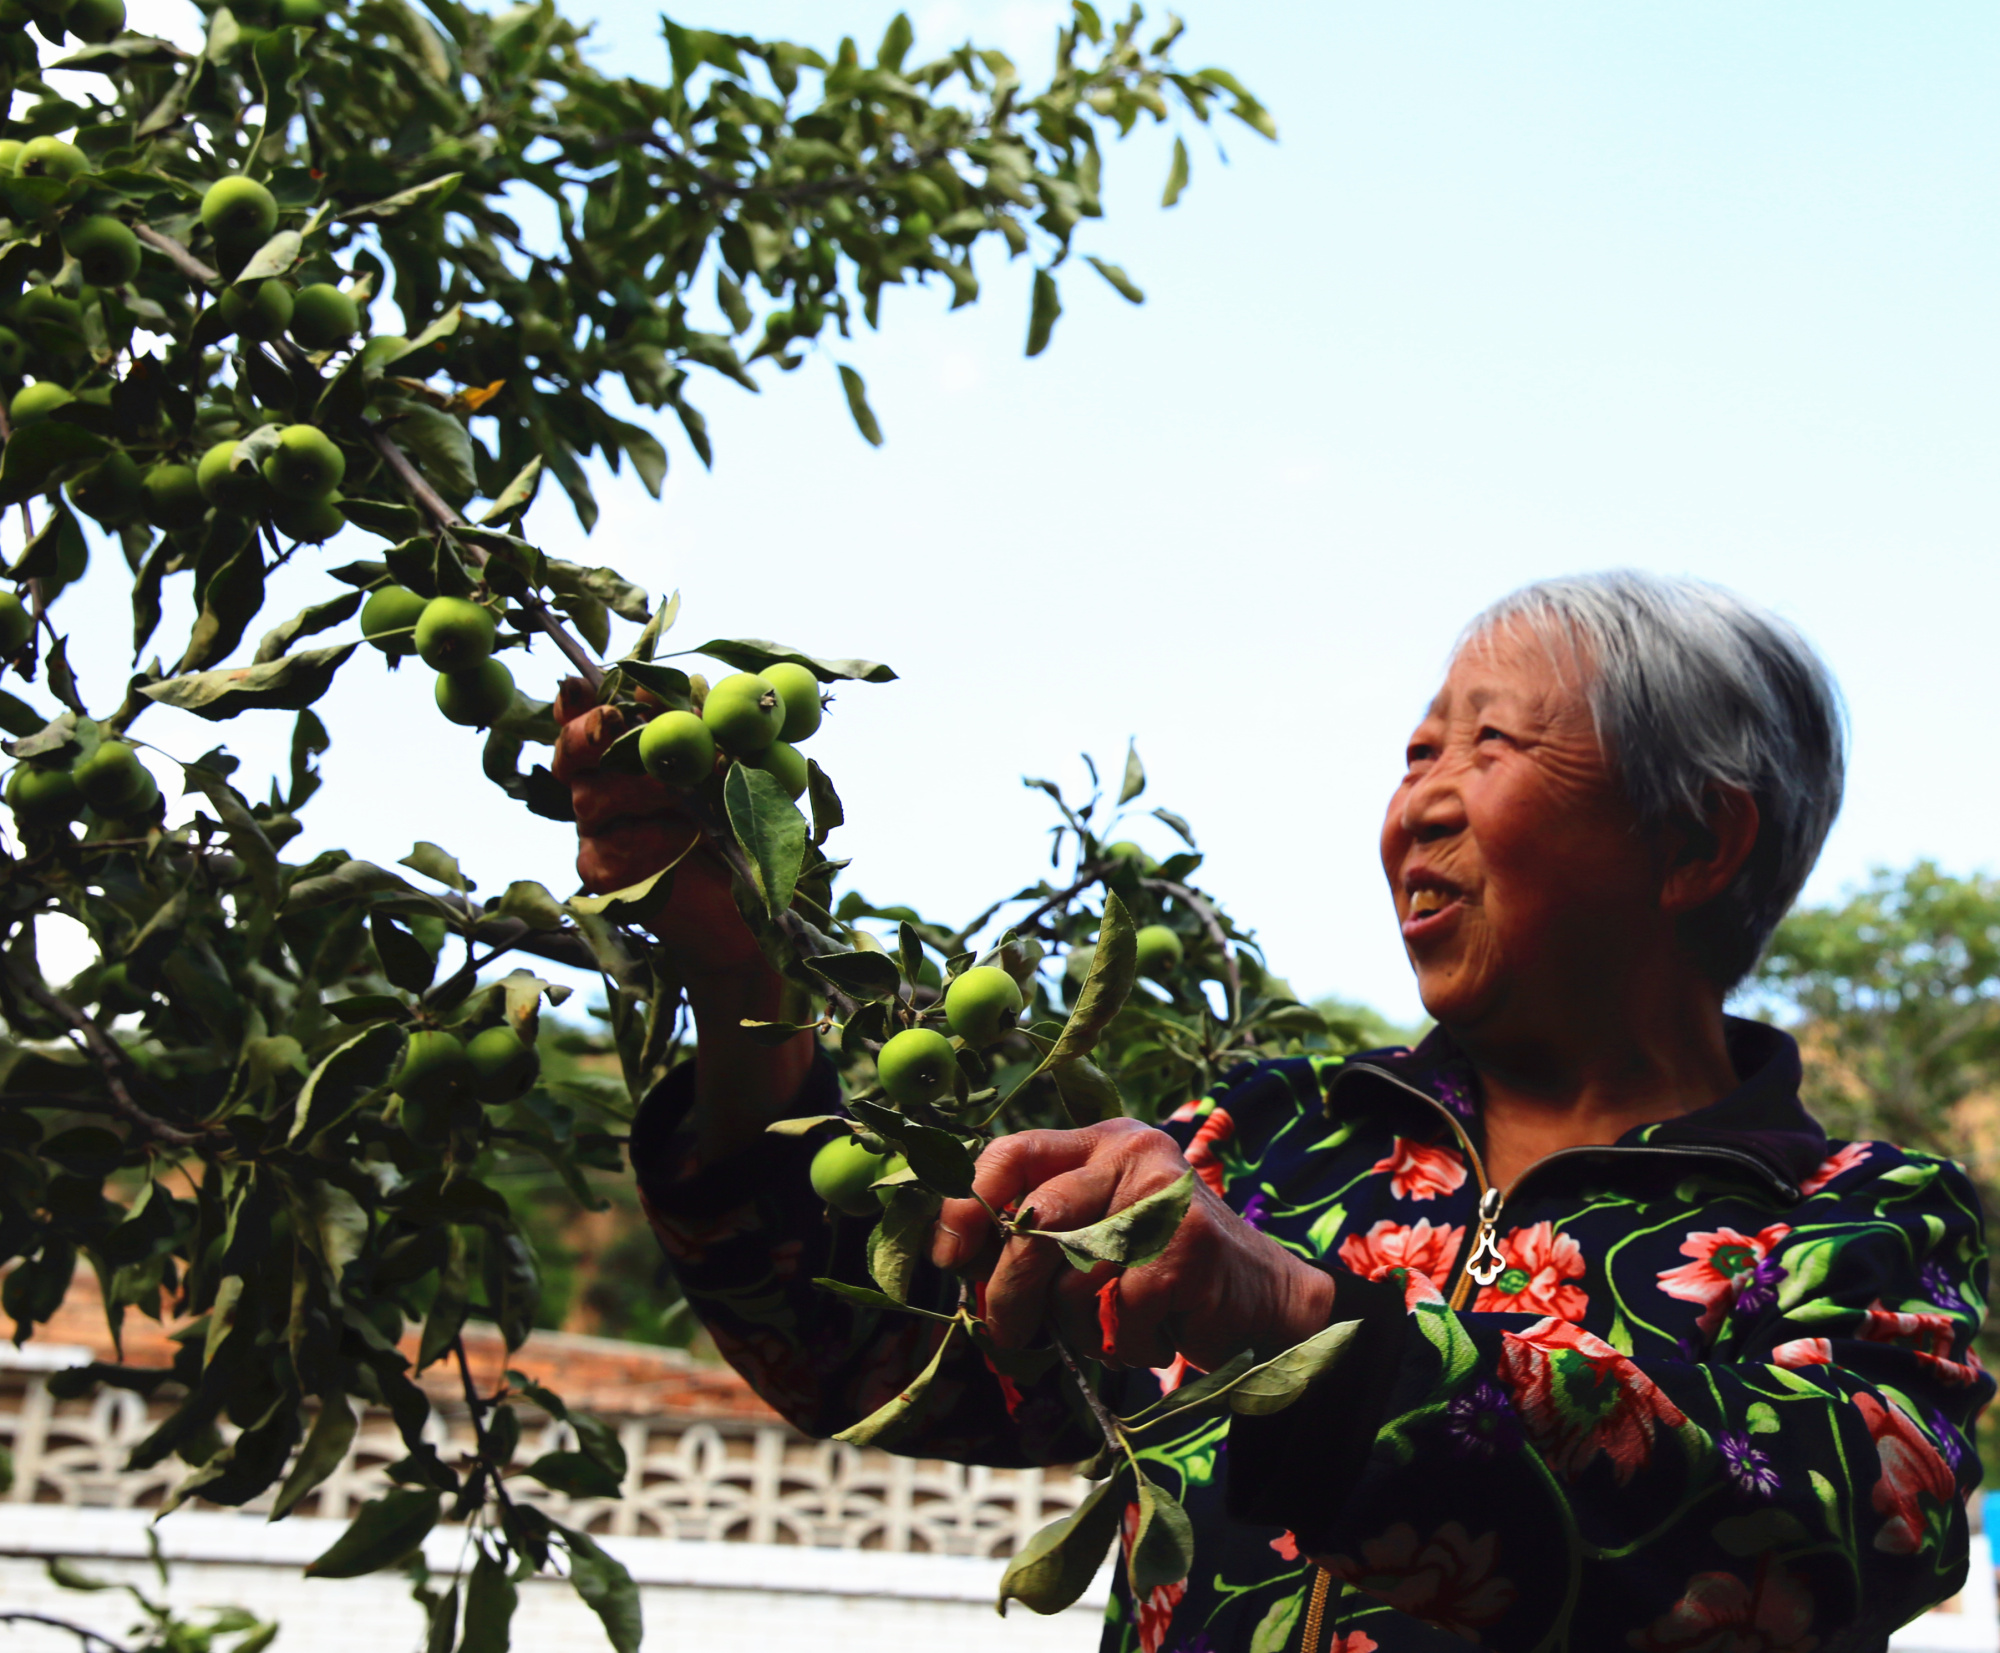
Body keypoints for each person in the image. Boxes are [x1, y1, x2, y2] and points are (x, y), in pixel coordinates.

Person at [555, 571, 1991, 1653]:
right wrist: (741, 979)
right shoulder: (1270, 1144)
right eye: (1414, 750)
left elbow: (1808, 1547)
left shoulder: (1863, 1221)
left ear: (1697, 838)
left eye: (1487, 745)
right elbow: (874, 1348)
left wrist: (1303, 1329)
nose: (1415, 803)